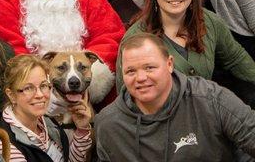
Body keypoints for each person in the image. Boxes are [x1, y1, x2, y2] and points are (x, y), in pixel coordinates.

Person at [117, 0, 255, 106]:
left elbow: (236, 58)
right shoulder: (135, 39)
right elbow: (127, 99)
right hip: (161, 122)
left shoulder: (210, 21)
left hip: (209, 111)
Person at [95, 33, 255, 161]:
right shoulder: (109, 124)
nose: (141, 77)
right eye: (131, 71)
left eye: (149, 67)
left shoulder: (210, 98)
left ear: (169, 64)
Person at [0, 54, 93, 162]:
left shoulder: (47, 122)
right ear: (11, 95)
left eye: (43, 86)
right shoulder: (6, 145)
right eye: (28, 88)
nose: (40, 94)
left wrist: (81, 129)